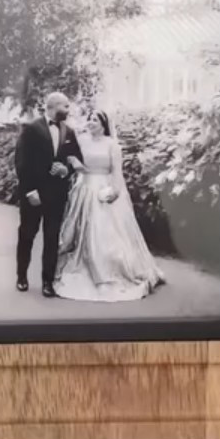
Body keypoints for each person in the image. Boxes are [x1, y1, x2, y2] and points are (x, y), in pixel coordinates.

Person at [53, 110, 165, 303]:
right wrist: (72, 162)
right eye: (89, 119)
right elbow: (69, 158)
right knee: (81, 232)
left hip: (103, 189)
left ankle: (107, 271)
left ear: (104, 124)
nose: (91, 122)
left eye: (95, 120)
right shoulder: (81, 141)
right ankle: (84, 265)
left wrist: (115, 191)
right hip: (84, 188)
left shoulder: (112, 145)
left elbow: (117, 172)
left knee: (103, 231)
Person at [15, 91, 84, 297]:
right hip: (34, 194)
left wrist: (66, 170)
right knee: (27, 235)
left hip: (57, 195)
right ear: (53, 106)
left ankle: (48, 282)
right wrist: (29, 191)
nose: (68, 110)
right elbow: (21, 162)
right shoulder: (32, 129)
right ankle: (21, 276)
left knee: (52, 239)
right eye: (65, 106)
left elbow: (76, 159)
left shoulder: (69, 132)